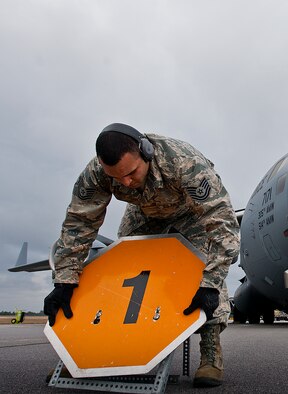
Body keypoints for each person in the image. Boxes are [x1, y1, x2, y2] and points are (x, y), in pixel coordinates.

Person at [43, 123, 240, 387]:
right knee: (120, 267)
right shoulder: (97, 173)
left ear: (146, 152)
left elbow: (222, 225)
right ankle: (88, 358)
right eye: (117, 177)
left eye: (132, 172)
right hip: (143, 213)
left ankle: (210, 355)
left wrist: (211, 284)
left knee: (203, 272)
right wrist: (65, 279)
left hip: (190, 214)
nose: (125, 182)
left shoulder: (184, 162)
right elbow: (80, 223)